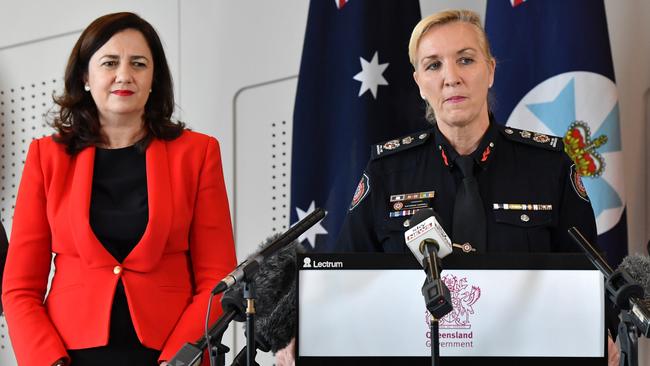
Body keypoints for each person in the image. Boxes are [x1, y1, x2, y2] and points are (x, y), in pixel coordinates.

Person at [335, 9, 619, 365]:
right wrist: (301, 331)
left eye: (465, 60)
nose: (451, 78)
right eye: (433, 65)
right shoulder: (386, 173)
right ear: (419, 82)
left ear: (490, 70)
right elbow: (342, 279)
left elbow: (588, 273)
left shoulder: (550, 166)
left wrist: (602, 329)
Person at [1, 12, 237, 366]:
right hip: (69, 357)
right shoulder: (46, 157)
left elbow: (217, 281)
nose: (124, 75)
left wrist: (181, 359)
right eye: (110, 62)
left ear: (154, 78)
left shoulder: (198, 153)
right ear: (85, 76)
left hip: (171, 354)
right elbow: (19, 288)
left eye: (139, 64)